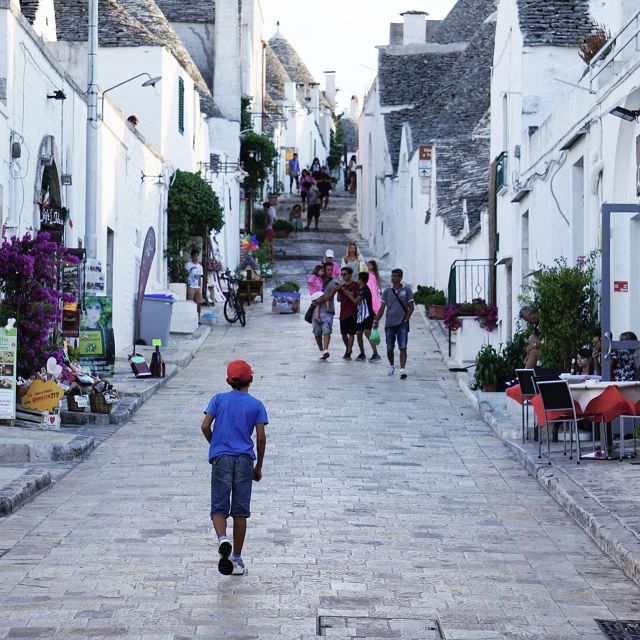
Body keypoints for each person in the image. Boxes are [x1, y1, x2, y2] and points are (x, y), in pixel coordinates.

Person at [200, 360, 268, 576]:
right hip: (244, 460)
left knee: (218, 507)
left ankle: (222, 539)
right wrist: (258, 467)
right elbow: (261, 438)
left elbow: (204, 425)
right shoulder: (256, 405)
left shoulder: (218, 399)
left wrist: (216, 445)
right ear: (251, 379)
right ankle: (237, 560)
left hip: (221, 458)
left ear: (228, 381)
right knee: (240, 511)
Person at [373, 269, 414, 379]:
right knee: (389, 347)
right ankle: (391, 365)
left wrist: (406, 319)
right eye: (392, 276)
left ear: (400, 278)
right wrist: (376, 320)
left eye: (395, 276)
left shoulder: (407, 290)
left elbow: (411, 307)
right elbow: (382, 308)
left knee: (403, 347)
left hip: (402, 324)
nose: (393, 278)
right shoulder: (387, 291)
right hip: (389, 323)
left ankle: (402, 369)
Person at [340, 271, 380, 362]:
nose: (357, 280)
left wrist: (347, 294)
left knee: (367, 332)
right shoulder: (360, 289)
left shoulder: (365, 290)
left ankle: (375, 353)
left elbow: (355, 301)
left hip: (367, 315)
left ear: (361, 280)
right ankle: (362, 353)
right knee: (358, 333)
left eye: (358, 279)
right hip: (360, 315)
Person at [310, 263, 339, 359]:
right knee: (316, 332)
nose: (331, 272)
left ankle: (326, 349)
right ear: (324, 271)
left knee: (327, 330)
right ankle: (322, 350)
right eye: (328, 270)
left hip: (328, 310)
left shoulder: (334, 282)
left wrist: (319, 300)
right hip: (316, 310)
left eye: (332, 270)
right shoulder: (318, 280)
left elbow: (330, 296)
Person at [336, 266, 359, 360]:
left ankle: (348, 351)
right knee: (343, 333)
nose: (343, 276)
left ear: (350, 275)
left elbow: (356, 298)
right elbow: (338, 299)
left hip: (352, 312)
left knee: (351, 333)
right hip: (343, 312)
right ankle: (348, 349)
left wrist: (345, 291)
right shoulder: (342, 286)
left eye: (344, 274)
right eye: (341, 275)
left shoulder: (354, 285)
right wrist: (338, 291)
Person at [186, 250, 204, 323]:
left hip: (197, 287)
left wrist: (199, 287)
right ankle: (189, 317)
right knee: (190, 302)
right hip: (190, 286)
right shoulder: (188, 265)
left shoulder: (200, 267)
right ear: (192, 257)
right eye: (194, 256)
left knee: (198, 303)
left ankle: (198, 318)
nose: (196, 257)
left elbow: (199, 277)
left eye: (197, 255)